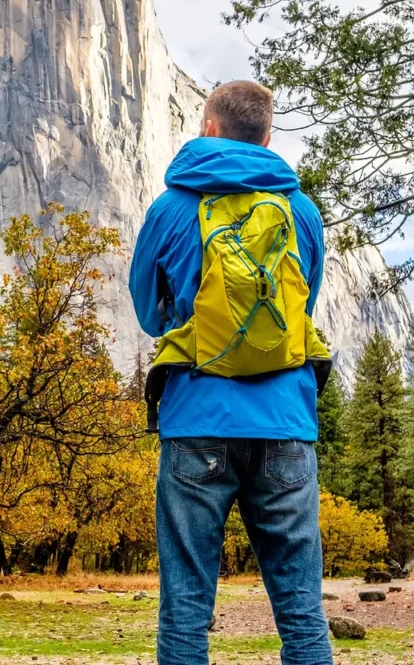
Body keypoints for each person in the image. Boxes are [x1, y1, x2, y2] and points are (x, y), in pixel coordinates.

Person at [129, 80, 332, 665]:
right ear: (268, 138)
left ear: (209, 129)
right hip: (285, 423)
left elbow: (148, 313)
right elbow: (302, 308)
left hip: (196, 421)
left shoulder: (171, 209)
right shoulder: (301, 210)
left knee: (187, 610)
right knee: (300, 611)